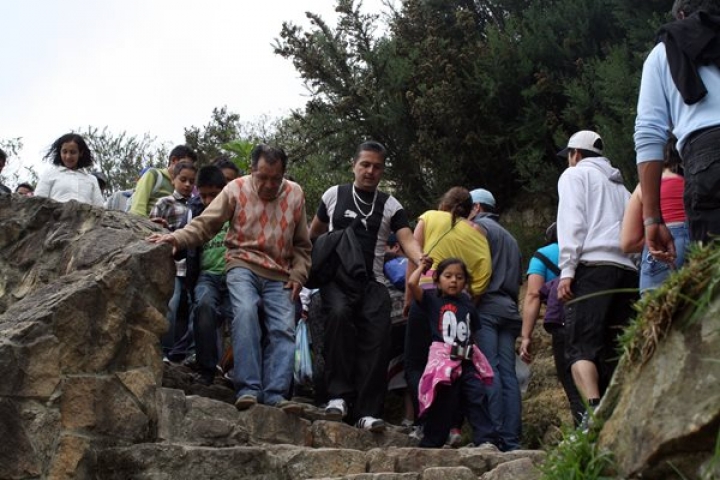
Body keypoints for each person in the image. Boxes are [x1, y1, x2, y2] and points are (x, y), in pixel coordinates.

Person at [148, 144, 311, 413]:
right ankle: (248, 388)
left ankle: (276, 394)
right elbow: (206, 223)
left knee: (283, 326)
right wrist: (175, 238)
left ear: (284, 174)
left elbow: (303, 245)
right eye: (263, 177)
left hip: (280, 271)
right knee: (245, 312)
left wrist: (299, 274)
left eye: (276, 178)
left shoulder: (295, 194)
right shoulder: (235, 189)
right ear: (252, 171)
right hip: (242, 263)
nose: (269, 185)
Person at [308, 140, 424, 431]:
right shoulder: (334, 195)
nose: (370, 171)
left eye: (377, 167)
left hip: (372, 282)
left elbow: (407, 238)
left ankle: (368, 411)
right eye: (365, 164)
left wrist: (421, 257)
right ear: (354, 165)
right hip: (336, 281)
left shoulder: (389, 204)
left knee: (378, 338)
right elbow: (314, 233)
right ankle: (338, 397)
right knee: (337, 316)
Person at [556, 130, 638, 429]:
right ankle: (622, 416)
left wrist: (567, 271)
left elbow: (572, 223)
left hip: (592, 267)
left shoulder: (574, 176)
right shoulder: (623, 189)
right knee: (616, 348)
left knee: (580, 346)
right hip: (628, 272)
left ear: (575, 154)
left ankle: (593, 418)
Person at [403, 186, 492, 443]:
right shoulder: (477, 234)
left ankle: (425, 421)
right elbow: (484, 276)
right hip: (460, 304)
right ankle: (453, 427)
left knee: (417, 363)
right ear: (472, 210)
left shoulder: (429, 217)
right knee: (457, 370)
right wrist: (467, 300)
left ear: (443, 203)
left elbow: (414, 255)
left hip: (426, 296)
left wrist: (410, 299)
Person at [635, 0, 720, 254]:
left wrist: (652, 218)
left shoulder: (663, 53)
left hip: (709, 160)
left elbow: (649, 134)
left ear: (681, 16)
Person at [407, 257, 494, 449]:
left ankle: (486, 439)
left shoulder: (468, 304)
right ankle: (432, 441)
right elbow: (412, 284)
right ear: (437, 279)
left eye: (459, 277)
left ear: (465, 282)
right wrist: (422, 266)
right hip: (443, 360)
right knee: (445, 399)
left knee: (477, 395)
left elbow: (472, 333)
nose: (454, 280)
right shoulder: (431, 299)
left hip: (466, 359)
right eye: (448, 276)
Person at [469, 188, 523, 451]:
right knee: (508, 375)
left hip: (487, 307)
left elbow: (476, 270)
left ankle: (494, 436)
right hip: (510, 310)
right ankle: (512, 439)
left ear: (477, 207)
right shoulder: (511, 238)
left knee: (488, 370)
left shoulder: (478, 228)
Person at [519, 222, 584, 426]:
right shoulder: (585, 250)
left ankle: (583, 427)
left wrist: (526, 336)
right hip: (592, 316)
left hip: (564, 322)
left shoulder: (543, 255)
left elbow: (533, 295)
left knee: (570, 378)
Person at [182, 165, 229, 385]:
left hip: (234, 275)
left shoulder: (237, 212)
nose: (209, 200)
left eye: (214, 194)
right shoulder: (196, 214)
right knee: (203, 307)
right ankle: (206, 368)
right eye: (204, 195)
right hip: (207, 276)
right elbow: (185, 241)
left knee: (245, 315)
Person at [622, 137, 688, 293]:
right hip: (701, 245)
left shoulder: (645, 187)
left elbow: (628, 242)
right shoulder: (695, 180)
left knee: (659, 313)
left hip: (662, 251)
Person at [149, 161, 197, 362]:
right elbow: (149, 229)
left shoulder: (198, 204)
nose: (187, 185)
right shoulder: (164, 203)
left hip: (192, 265)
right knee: (172, 305)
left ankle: (187, 352)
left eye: (191, 181)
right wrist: (164, 229)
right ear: (173, 180)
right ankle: (165, 351)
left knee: (190, 308)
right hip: (171, 265)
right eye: (183, 180)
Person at [35, 133, 104, 206]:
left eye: (73, 152)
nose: (68, 156)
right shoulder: (49, 175)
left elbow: (99, 207)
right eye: (64, 152)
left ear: (80, 153)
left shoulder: (91, 179)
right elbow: (37, 203)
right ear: (60, 152)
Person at [129, 145, 198, 217]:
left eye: (191, 166)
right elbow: (138, 207)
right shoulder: (154, 175)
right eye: (184, 164)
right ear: (174, 160)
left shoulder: (189, 187)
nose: (188, 168)